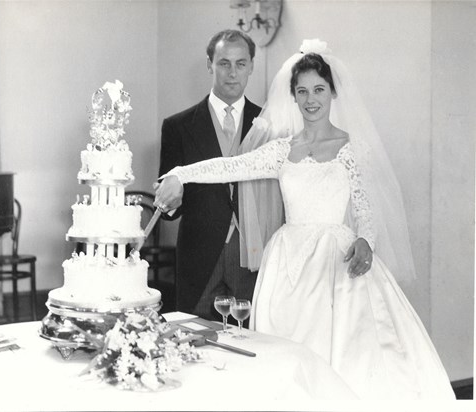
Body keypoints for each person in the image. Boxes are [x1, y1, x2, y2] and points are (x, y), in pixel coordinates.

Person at [155, 39, 456, 400]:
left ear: (333, 93)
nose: (311, 99)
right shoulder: (283, 150)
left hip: (336, 262)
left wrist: (366, 241)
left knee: (346, 353)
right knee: (285, 355)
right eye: (303, 91)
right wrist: (180, 173)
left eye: (319, 89)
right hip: (287, 263)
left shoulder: (352, 147)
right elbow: (228, 166)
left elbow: (365, 211)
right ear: (293, 97)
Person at [157, 30, 262, 322]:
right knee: (194, 342)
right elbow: (167, 211)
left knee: (252, 342)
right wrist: (170, 199)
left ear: (251, 66)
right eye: (223, 63)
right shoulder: (177, 126)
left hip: (251, 257)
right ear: (209, 64)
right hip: (199, 257)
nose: (232, 73)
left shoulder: (268, 124)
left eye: (241, 64)